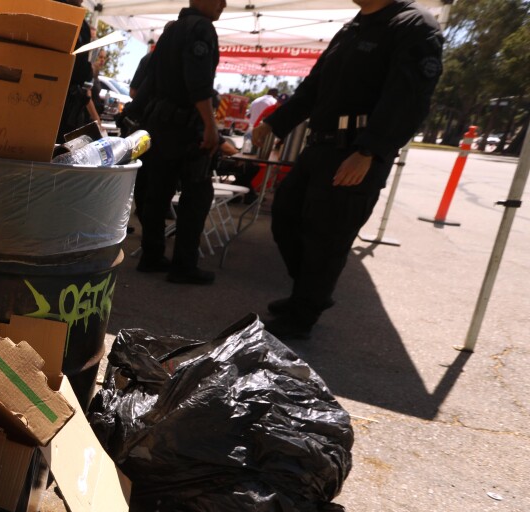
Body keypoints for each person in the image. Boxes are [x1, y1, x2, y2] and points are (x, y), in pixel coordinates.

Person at [251, 0, 443, 339]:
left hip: (355, 153)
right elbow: (312, 88)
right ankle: (310, 294)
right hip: (319, 147)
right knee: (286, 215)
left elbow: (409, 99)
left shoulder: (414, 25)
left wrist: (369, 150)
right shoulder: (352, 27)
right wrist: (276, 124)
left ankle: (303, 314)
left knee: (327, 236)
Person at [126, 0, 226, 284]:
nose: (224, 5)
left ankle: (152, 255)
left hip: (160, 128)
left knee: (157, 195)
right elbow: (198, 83)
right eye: (219, 0)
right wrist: (210, 125)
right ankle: (183, 265)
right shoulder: (201, 28)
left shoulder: (171, 31)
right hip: (185, 128)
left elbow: (149, 83)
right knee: (196, 196)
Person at [57, 6, 101, 141]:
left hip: (70, 109)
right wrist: (96, 119)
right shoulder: (67, 16)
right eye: (101, 57)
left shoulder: (82, 25)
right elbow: (86, 90)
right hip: (63, 104)